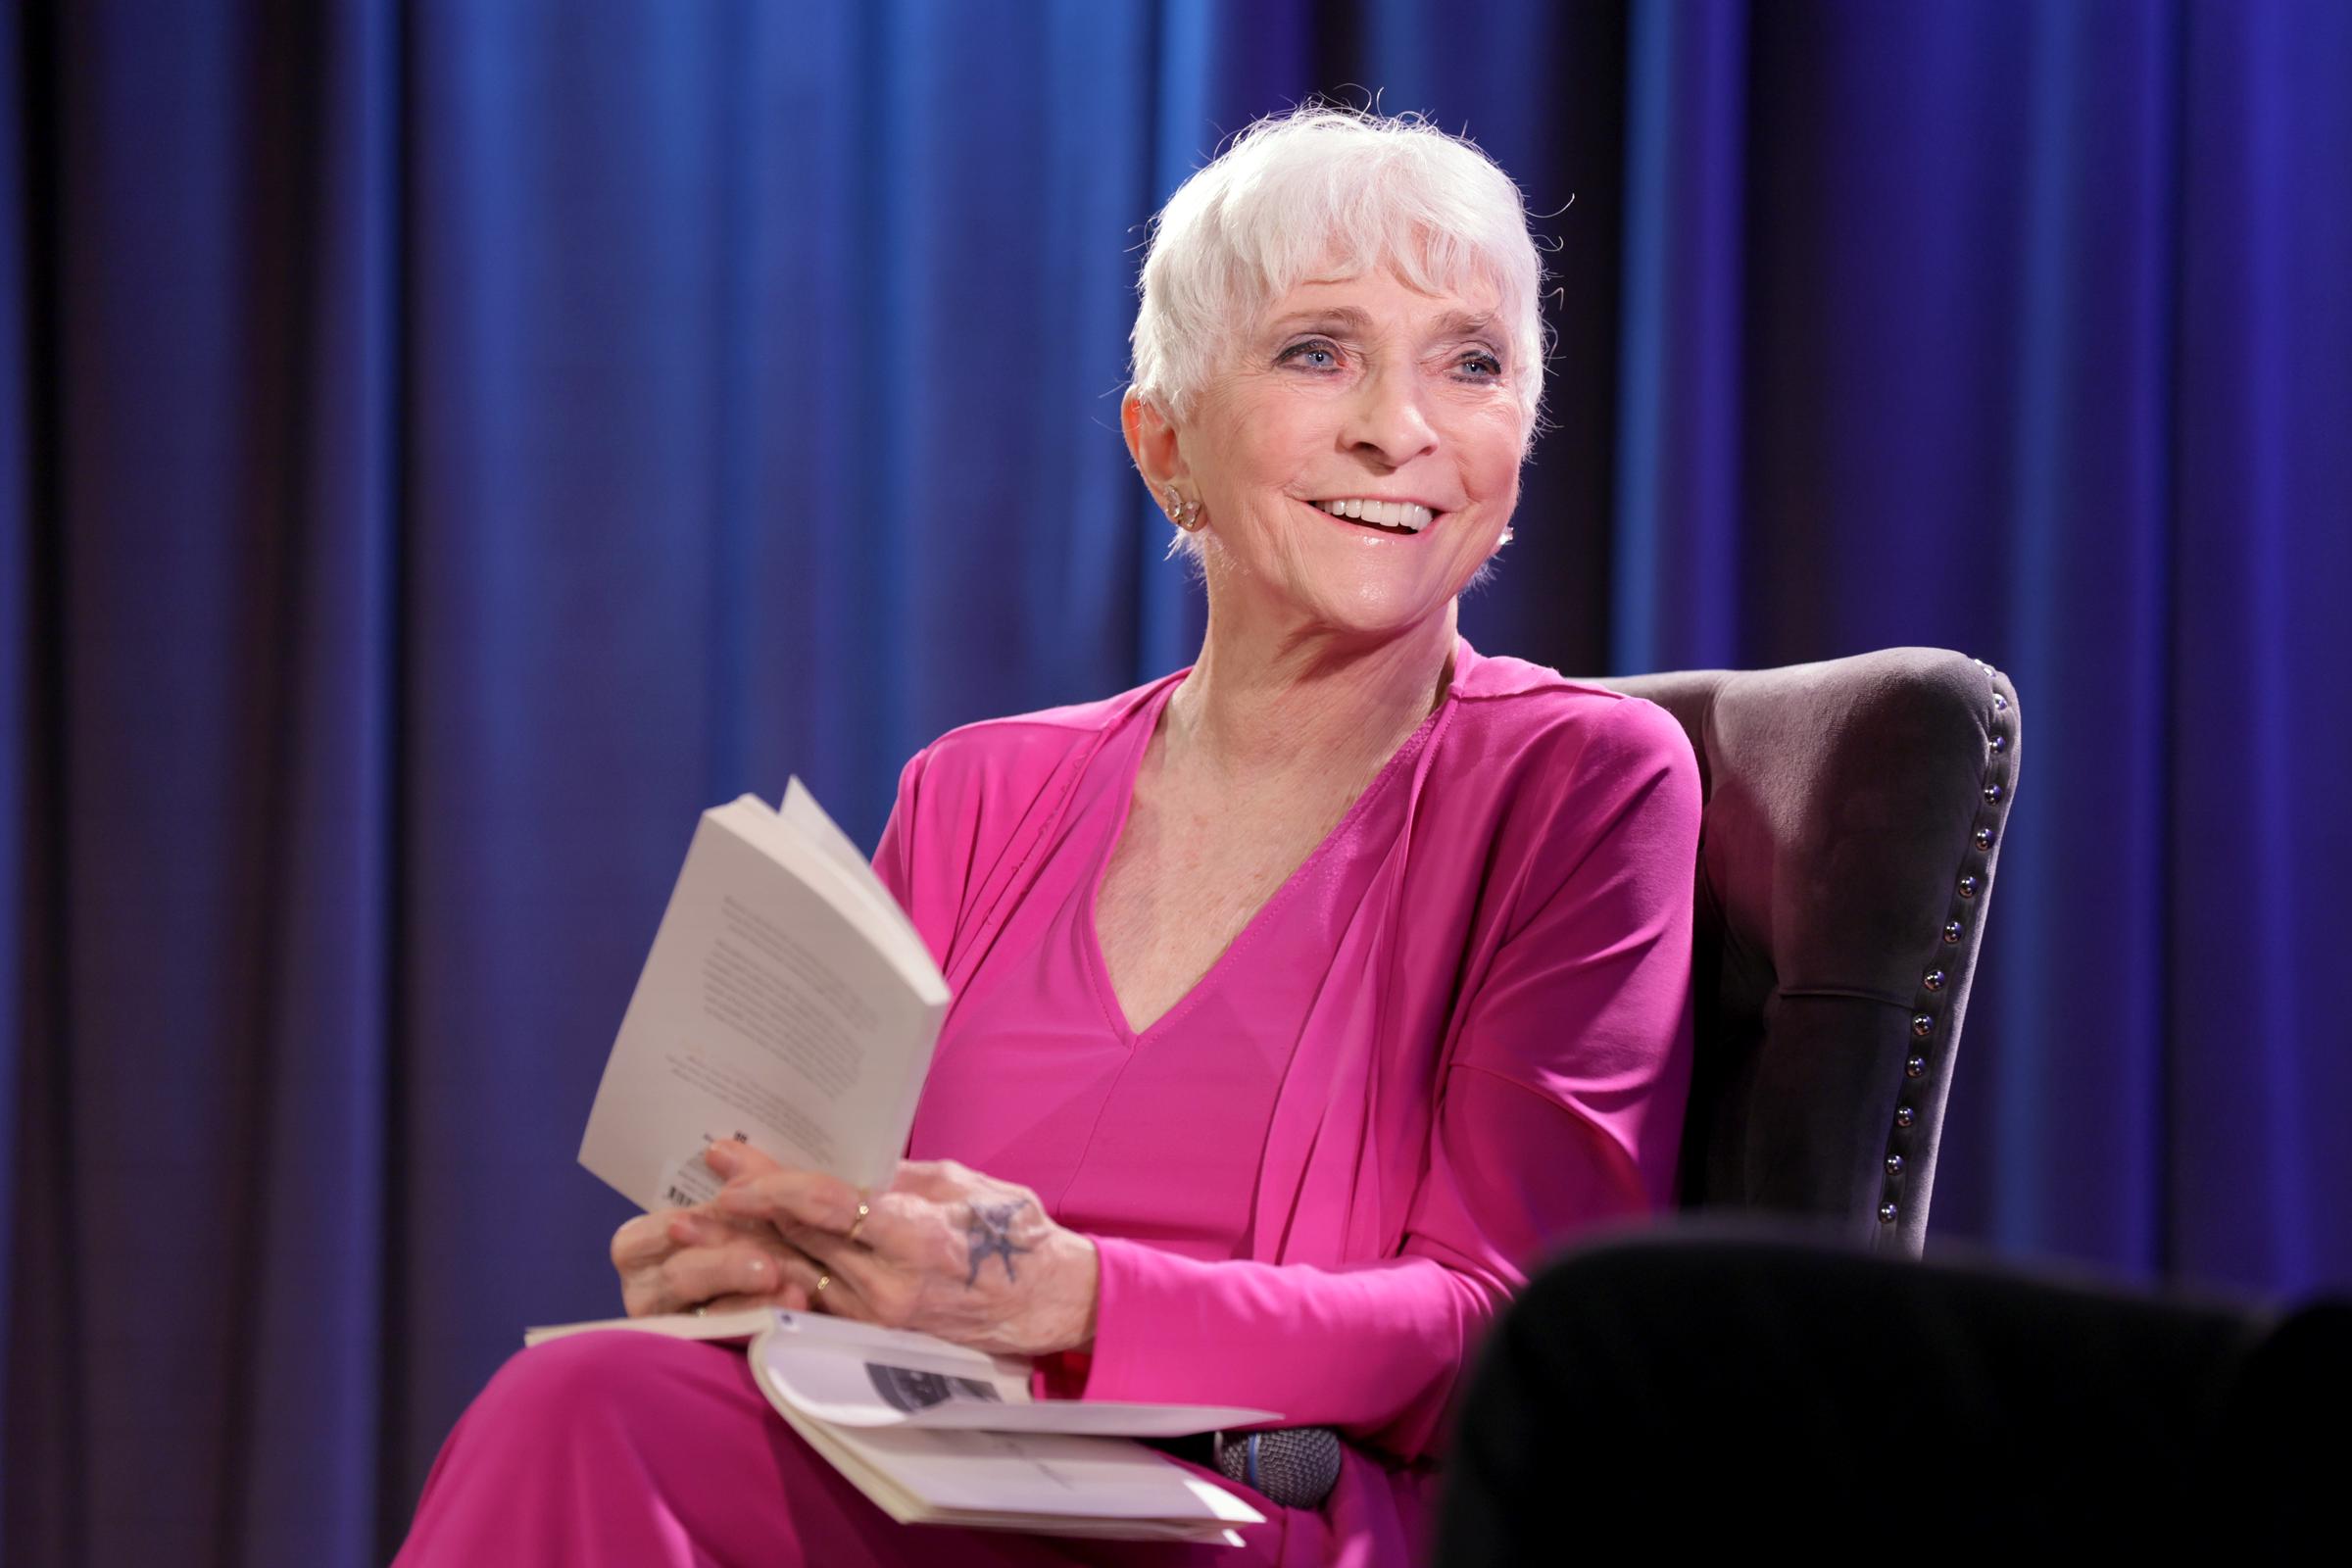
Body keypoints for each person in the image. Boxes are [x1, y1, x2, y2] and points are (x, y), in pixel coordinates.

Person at [396, 105, 1701, 1567]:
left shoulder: (1583, 780)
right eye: (1316, 351)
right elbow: (852, 1229)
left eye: (1471, 363)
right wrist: (769, 1258)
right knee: (592, 1394)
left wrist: (1069, 1298)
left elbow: (1518, 1323)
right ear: (1166, 444)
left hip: (1250, 1511)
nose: (1397, 426)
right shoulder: (976, 792)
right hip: (918, 1466)